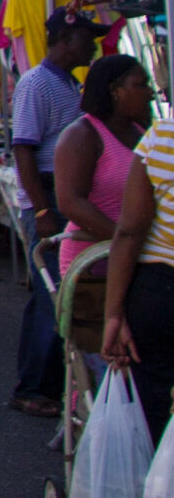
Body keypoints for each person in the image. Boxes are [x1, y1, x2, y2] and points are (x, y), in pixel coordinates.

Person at [7, 7, 104, 417]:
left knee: (63, 294)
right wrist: (43, 206)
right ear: (66, 40)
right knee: (54, 297)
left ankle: (49, 385)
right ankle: (33, 388)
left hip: (60, 193)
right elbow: (24, 147)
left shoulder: (67, 83)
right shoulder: (37, 84)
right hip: (49, 193)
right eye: (88, 36)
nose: (94, 43)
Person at [101, 115, 174, 442]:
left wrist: (114, 314)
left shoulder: (163, 135)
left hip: (160, 289)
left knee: (157, 407)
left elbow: (130, 230)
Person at [55, 54, 152, 275]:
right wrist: (126, 239)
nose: (150, 93)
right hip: (93, 261)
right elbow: (71, 202)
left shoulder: (140, 132)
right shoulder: (82, 135)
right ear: (115, 91)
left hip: (135, 256)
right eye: (140, 85)